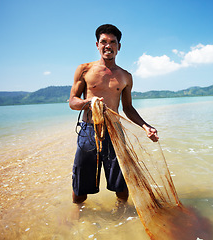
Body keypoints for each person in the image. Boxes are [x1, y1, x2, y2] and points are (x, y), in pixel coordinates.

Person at [69, 24, 159, 207]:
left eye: (112, 42)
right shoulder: (84, 70)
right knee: (81, 185)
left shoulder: (126, 76)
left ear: (119, 46)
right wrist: (89, 103)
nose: (108, 46)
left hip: (115, 132)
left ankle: (121, 216)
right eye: (104, 42)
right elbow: (72, 101)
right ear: (97, 45)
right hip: (88, 132)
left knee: (121, 183)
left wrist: (146, 126)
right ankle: (79, 217)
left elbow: (128, 108)